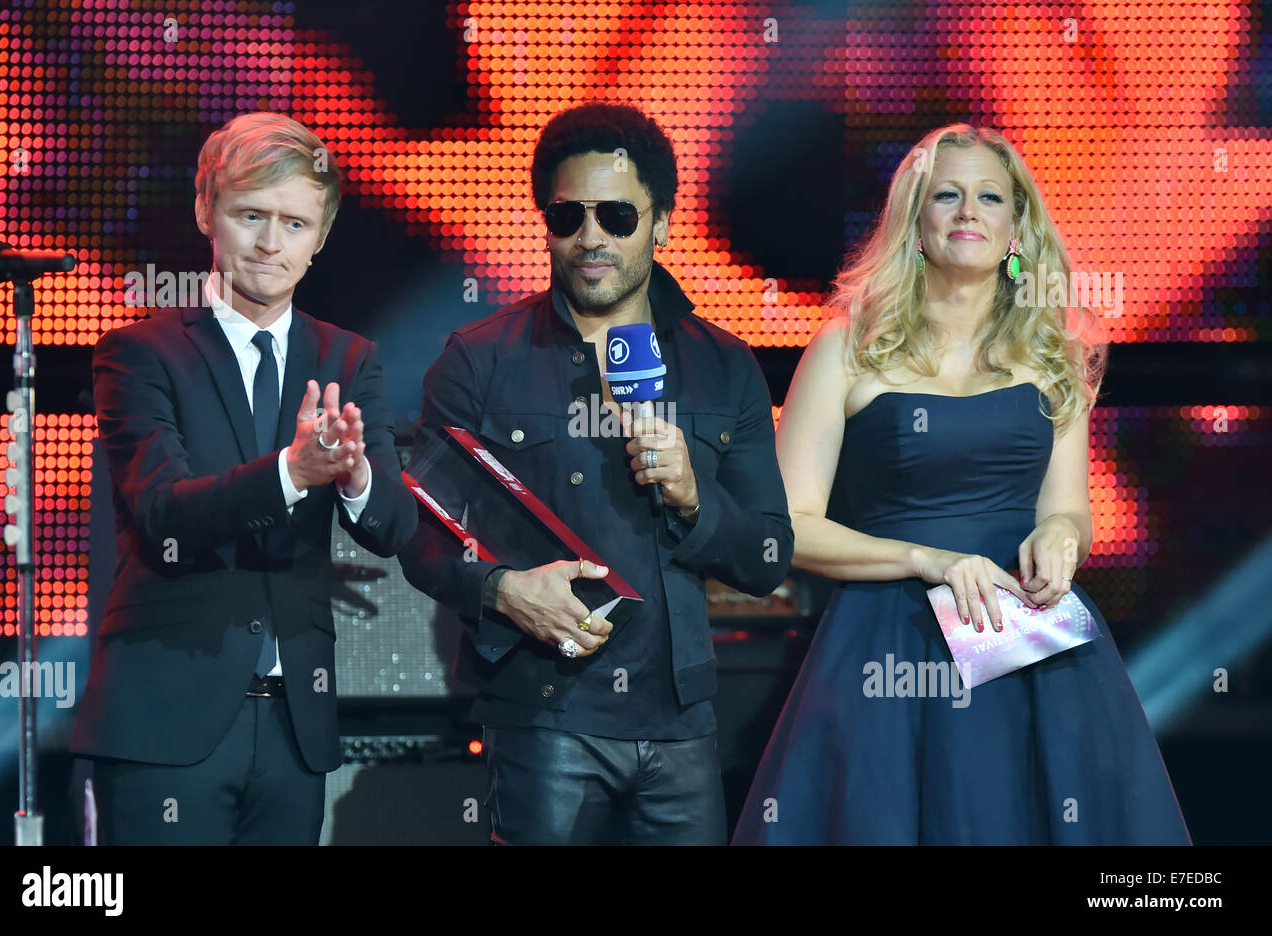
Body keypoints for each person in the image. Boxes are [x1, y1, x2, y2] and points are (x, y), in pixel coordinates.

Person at [732, 124, 1190, 845]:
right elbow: (787, 524)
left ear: (1016, 226)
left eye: (988, 196)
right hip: (888, 640)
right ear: (915, 221)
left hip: (1025, 640)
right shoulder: (847, 345)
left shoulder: (1055, 348)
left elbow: (1069, 510)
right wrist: (927, 561)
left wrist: (1061, 538)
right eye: (947, 195)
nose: (968, 211)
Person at [398, 102, 793, 845]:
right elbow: (419, 534)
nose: (591, 238)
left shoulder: (724, 365)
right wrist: (504, 591)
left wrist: (694, 499)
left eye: (616, 215)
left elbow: (767, 557)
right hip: (544, 717)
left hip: (680, 726)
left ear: (662, 223)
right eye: (567, 216)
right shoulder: (479, 358)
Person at [70, 112, 418, 844]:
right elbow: (164, 514)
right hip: (164, 723)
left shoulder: (350, 359)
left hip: (295, 727)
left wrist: (354, 477)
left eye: (295, 223)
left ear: (320, 237)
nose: (269, 243)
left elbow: (393, 527)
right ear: (206, 211)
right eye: (250, 215)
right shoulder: (139, 354)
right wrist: (294, 471)